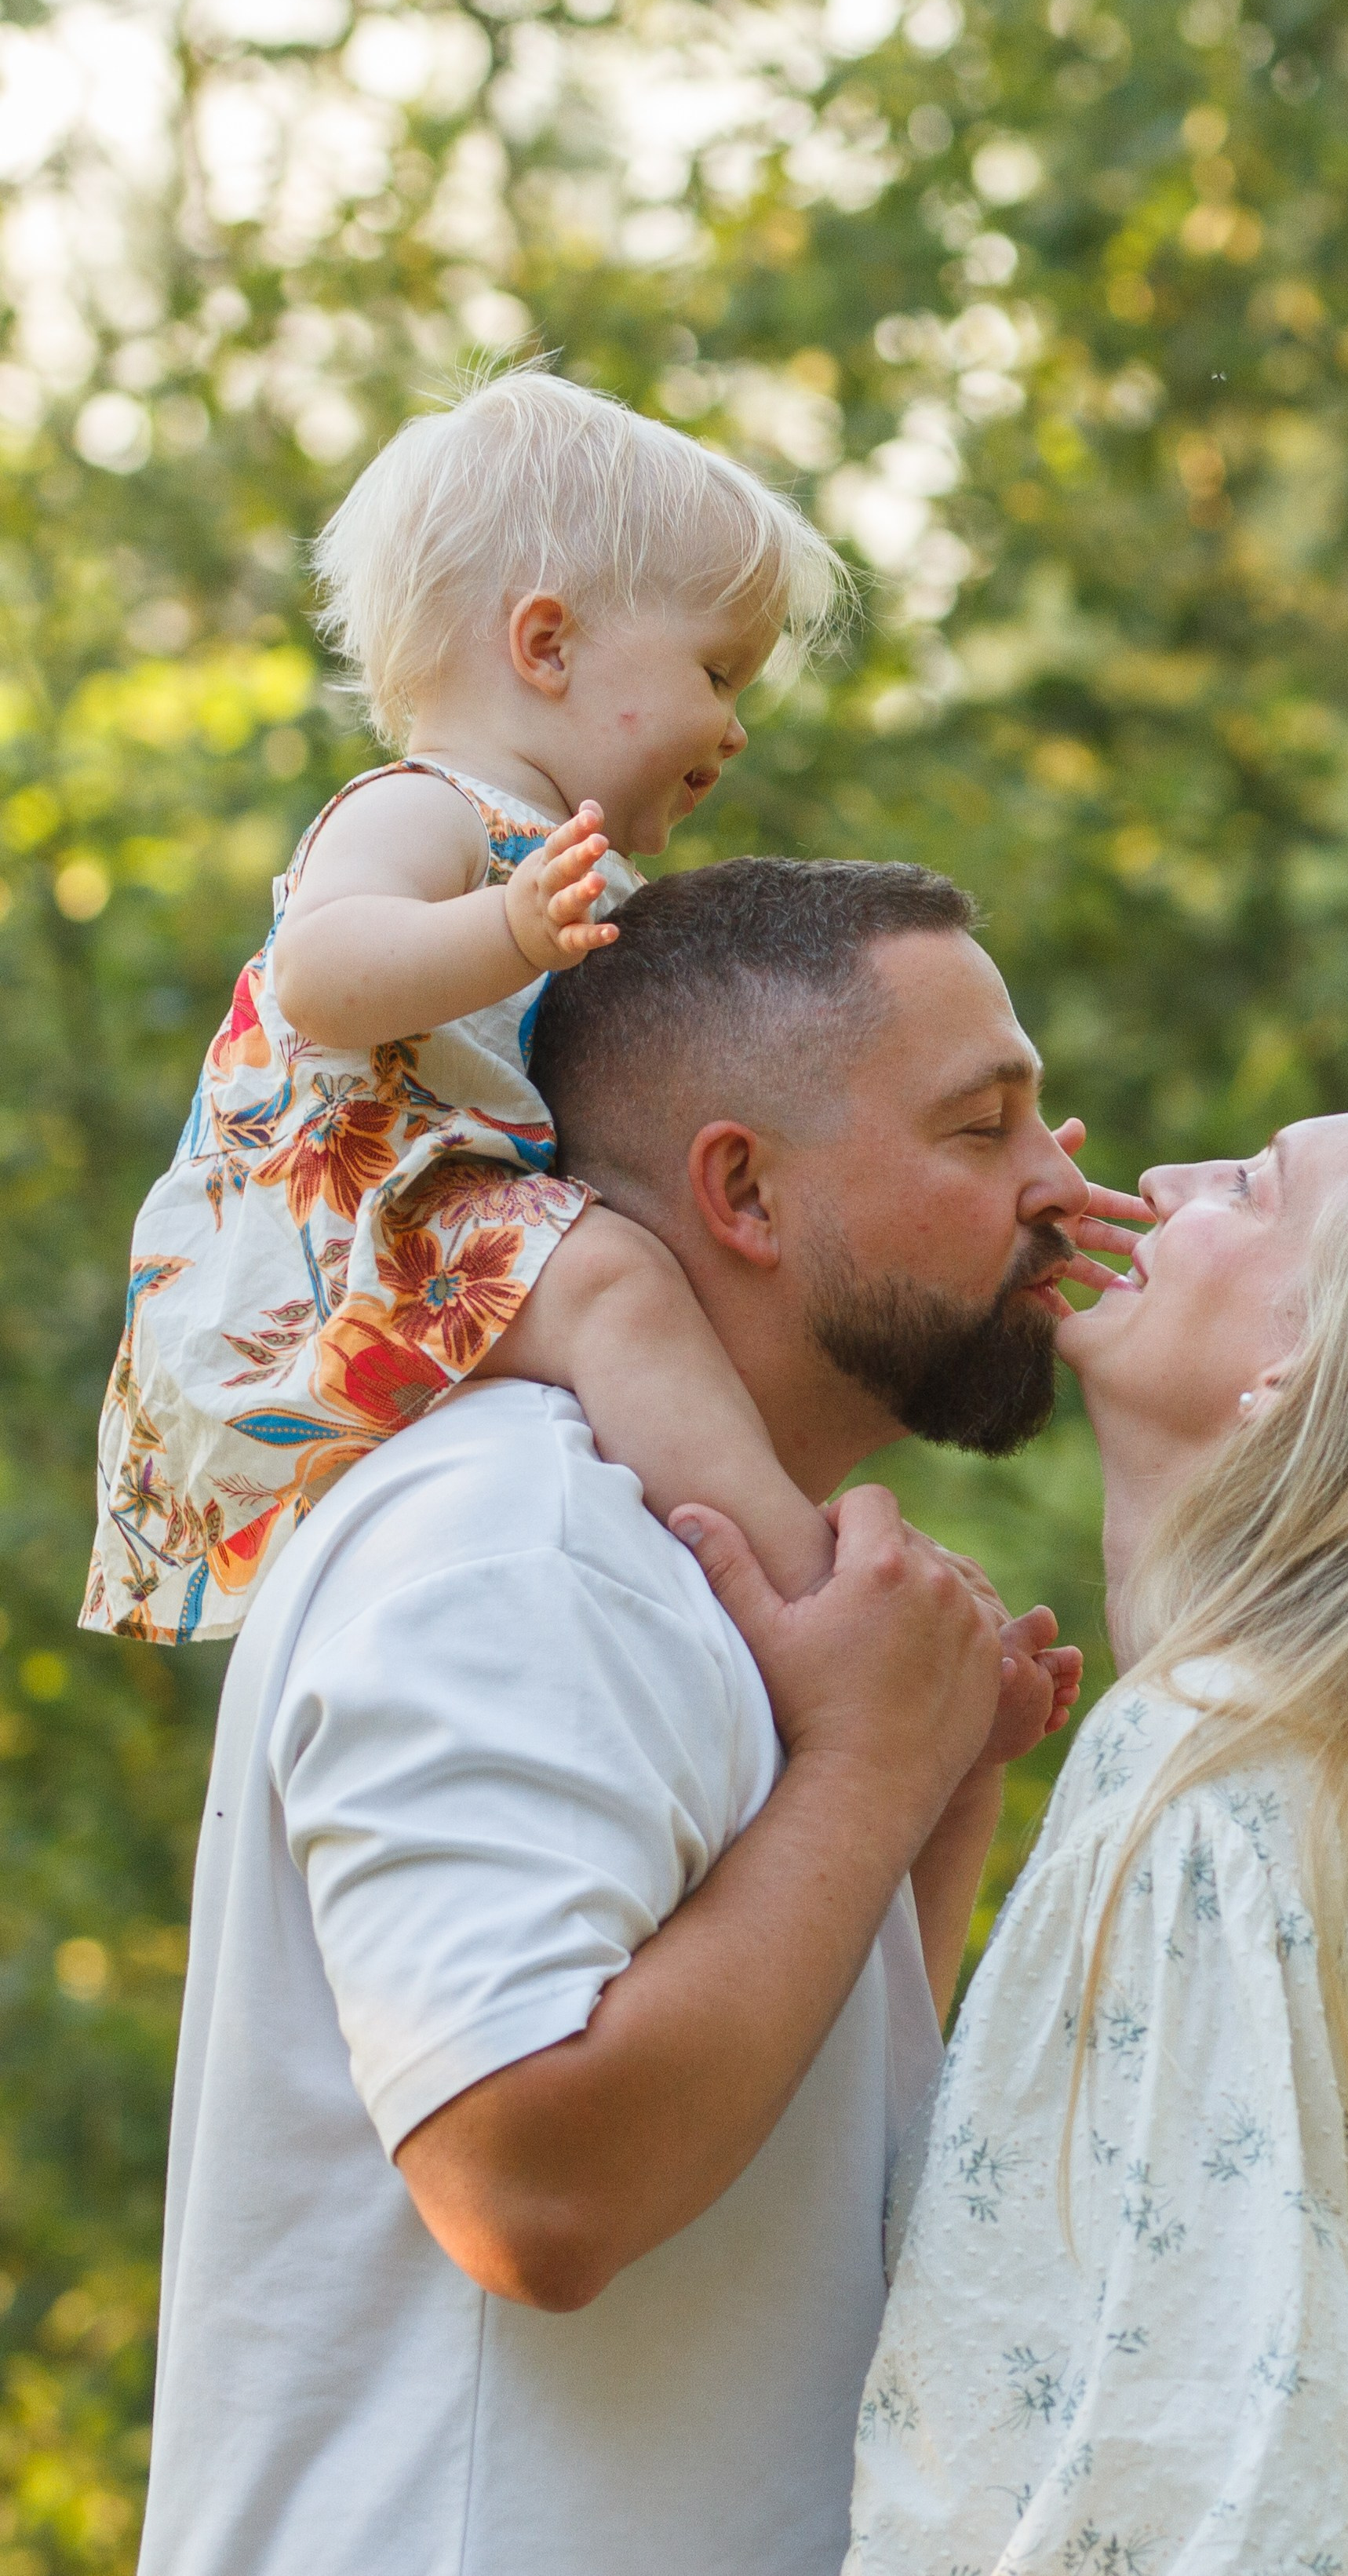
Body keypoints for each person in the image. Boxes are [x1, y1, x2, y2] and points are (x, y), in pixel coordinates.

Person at [136, 854, 1124, 2576]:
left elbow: (770, 2180)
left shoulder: (716, 1591)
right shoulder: (528, 1546)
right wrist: (873, 1768)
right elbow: (531, 2184)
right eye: (985, 1129)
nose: (1062, 1183)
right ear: (740, 1189)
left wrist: (924, 1805)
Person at [841, 1105, 1348, 2576]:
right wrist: (929, 1795)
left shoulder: (1205, 1792)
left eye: (1250, 1182)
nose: (1159, 1181)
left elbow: (1221, 2501)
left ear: (1298, 1369)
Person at [83, 364, 858, 1646]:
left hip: (446, 1222)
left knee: (643, 1280)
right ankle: (808, 1600)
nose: (734, 729)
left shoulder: (563, 861)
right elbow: (320, 976)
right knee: (613, 1285)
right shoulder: (426, 808)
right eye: (719, 673)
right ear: (546, 646)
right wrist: (504, 928)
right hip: (349, 1237)